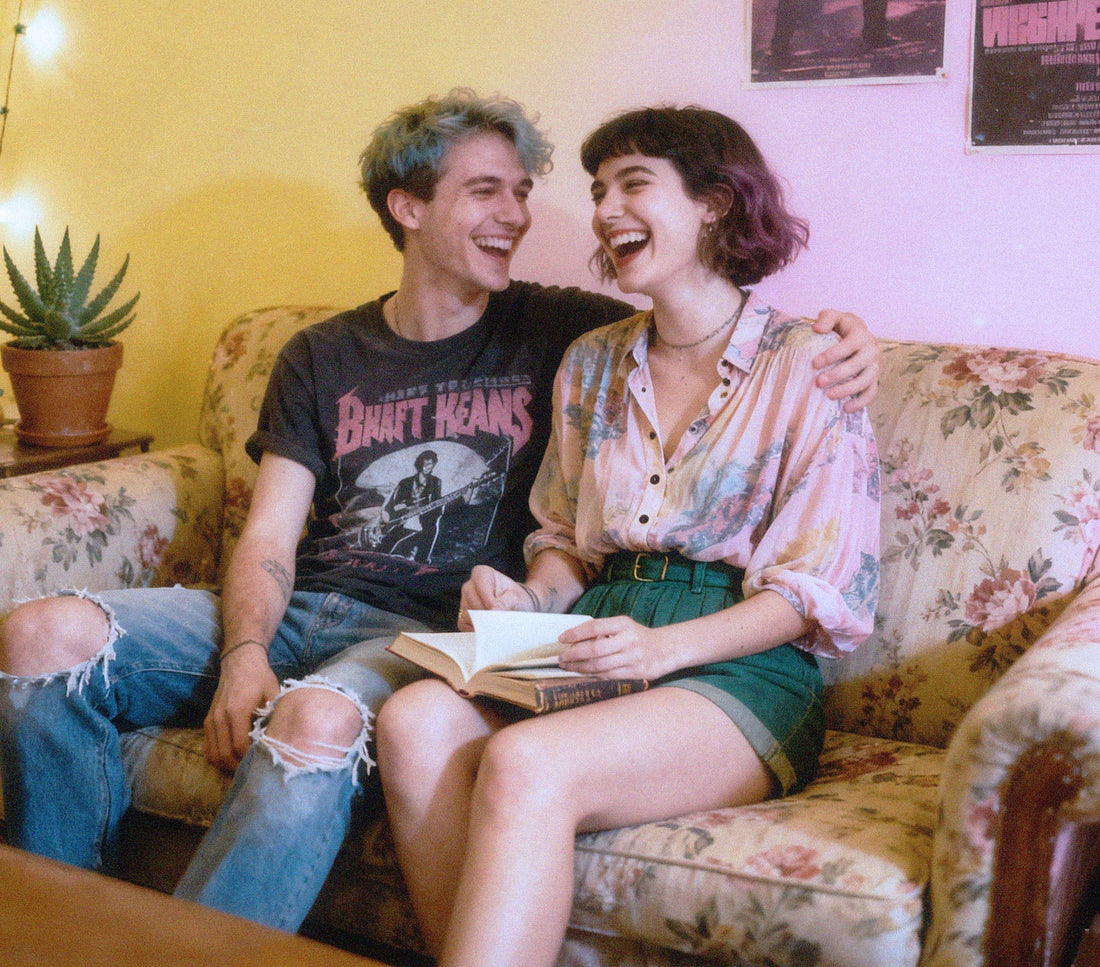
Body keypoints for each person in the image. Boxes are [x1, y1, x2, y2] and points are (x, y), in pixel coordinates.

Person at [0, 90, 878, 934]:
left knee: (327, 719)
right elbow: (274, 534)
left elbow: (716, 320)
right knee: (36, 635)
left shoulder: (561, 330)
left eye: (526, 191)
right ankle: (64, 928)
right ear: (408, 207)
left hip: (423, 633)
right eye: (486, 189)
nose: (525, 215)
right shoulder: (346, 352)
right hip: (324, 607)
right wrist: (244, 655)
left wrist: (851, 341)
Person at [375, 104, 882, 967]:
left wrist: (661, 649)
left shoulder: (810, 362)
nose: (606, 210)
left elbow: (809, 595)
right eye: (599, 189)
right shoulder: (594, 360)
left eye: (634, 184)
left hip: (738, 663)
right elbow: (567, 536)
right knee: (414, 719)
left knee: (528, 763)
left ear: (716, 202)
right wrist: (528, 597)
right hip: (599, 633)